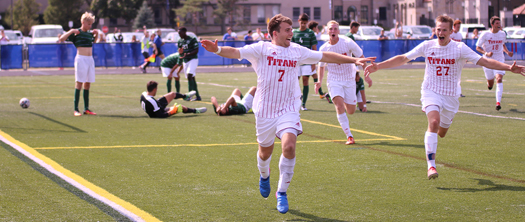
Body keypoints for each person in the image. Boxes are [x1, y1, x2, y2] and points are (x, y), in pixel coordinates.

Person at [200, 14, 375, 214]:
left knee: (289, 147)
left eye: (291, 29)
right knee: (265, 153)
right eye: (287, 30)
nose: (291, 33)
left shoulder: (297, 51)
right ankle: (264, 175)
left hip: (289, 108)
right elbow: (236, 51)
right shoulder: (261, 48)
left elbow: (326, 57)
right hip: (265, 110)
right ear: (274, 33)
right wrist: (217, 50)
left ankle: (281, 192)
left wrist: (354, 60)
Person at [364, 15, 525, 180]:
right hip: (430, 90)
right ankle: (431, 166)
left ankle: (437, 132)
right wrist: (379, 66)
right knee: (433, 122)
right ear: (435, 30)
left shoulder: (460, 48)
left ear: (450, 32)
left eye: (444, 30)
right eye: (438, 29)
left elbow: (485, 61)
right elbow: (404, 58)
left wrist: (509, 68)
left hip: (451, 96)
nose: (440, 33)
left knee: (442, 132)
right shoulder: (427, 46)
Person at [316, 20, 371, 145]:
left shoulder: (347, 42)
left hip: (349, 80)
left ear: (339, 31)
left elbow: (361, 56)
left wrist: (366, 75)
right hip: (333, 80)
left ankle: (348, 102)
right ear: (327, 32)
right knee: (339, 106)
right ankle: (349, 136)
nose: (333, 31)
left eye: (335, 29)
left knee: (351, 110)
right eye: (331, 29)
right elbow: (321, 66)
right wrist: (319, 81)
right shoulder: (324, 48)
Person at [59, 12, 99, 116]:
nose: (90, 26)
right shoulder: (77, 32)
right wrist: (71, 31)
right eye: (88, 24)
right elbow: (61, 39)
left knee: (88, 83)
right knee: (79, 82)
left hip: (90, 60)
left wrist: (97, 35)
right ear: (83, 22)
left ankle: (86, 109)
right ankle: (76, 109)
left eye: (91, 24)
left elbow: (93, 42)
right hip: (81, 59)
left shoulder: (90, 33)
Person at [476, 16, 515, 111]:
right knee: (490, 83)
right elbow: (478, 47)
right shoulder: (485, 34)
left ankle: (498, 103)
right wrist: (486, 53)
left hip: (499, 59)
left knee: (499, 78)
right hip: (487, 61)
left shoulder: (502, 34)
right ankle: (489, 84)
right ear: (492, 25)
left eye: (499, 23)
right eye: (497, 23)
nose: (499, 25)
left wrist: (507, 52)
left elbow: (502, 44)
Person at [291, 13, 324, 110]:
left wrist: (313, 62)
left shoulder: (310, 33)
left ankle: (303, 103)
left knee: (305, 81)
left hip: (307, 62)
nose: (303, 25)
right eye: (302, 23)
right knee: (294, 82)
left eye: (305, 23)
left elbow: (314, 48)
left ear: (307, 23)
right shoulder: (294, 32)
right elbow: (291, 47)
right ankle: (295, 100)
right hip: (296, 62)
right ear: (298, 21)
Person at [140, 80, 206, 118]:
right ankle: (195, 110)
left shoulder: (144, 94)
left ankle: (185, 96)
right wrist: (172, 112)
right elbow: (160, 115)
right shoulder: (152, 101)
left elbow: (151, 104)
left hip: (156, 106)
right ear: (154, 89)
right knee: (180, 107)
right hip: (157, 112)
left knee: (172, 94)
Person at [178, 27, 201, 101]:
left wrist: (187, 54)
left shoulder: (192, 39)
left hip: (193, 59)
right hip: (185, 61)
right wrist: (181, 55)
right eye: (178, 33)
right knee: (192, 78)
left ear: (184, 32)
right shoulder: (180, 41)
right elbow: (180, 51)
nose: (179, 35)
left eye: (180, 33)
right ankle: (198, 96)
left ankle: (189, 95)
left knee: (189, 75)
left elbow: (196, 50)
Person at [449, 20, 465, 97]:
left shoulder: (459, 35)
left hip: (457, 57)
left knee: (458, 74)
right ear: (454, 26)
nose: (458, 28)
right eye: (457, 26)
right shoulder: (451, 34)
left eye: (459, 27)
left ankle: (458, 92)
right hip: (450, 57)